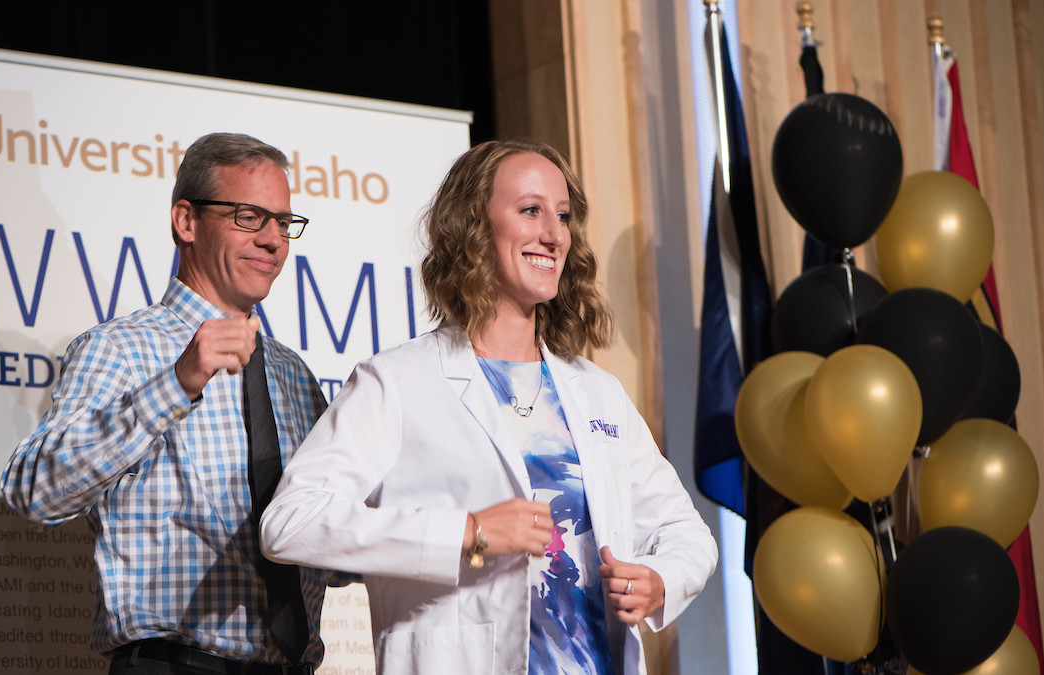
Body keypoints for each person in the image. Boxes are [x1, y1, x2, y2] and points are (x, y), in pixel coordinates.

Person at [260, 139, 717, 674]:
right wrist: (466, 532)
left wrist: (659, 581)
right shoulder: (397, 381)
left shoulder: (596, 392)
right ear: (473, 228)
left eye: (563, 216)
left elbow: (688, 534)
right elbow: (291, 522)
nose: (554, 233)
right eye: (530, 210)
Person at [3, 132, 332, 674]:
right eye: (250, 216)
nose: (274, 240)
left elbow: (328, 543)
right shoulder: (120, 349)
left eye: (283, 222)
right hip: (175, 664)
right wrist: (177, 383)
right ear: (186, 221)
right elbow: (33, 491)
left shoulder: (294, 375)